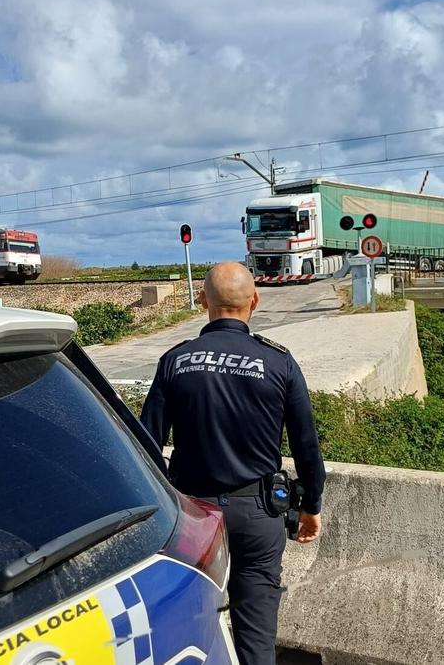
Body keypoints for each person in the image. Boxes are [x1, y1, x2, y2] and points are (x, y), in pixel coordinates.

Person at [141, 261, 326, 665]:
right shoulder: (279, 362)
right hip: (259, 517)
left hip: (193, 518)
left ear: (203, 299)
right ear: (254, 301)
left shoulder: (176, 360)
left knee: (186, 627)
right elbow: (307, 446)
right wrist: (311, 507)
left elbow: (146, 446)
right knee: (257, 639)